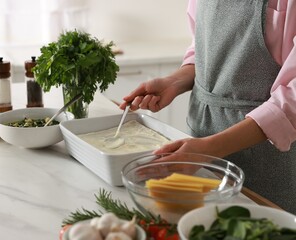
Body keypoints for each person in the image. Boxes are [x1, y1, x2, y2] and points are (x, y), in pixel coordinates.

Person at [119, 0, 296, 214]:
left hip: (267, 159)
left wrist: (210, 148)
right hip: (197, 142)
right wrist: (174, 82)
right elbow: (202, 46)